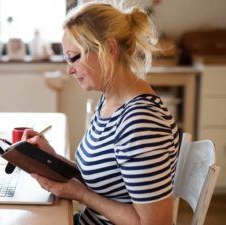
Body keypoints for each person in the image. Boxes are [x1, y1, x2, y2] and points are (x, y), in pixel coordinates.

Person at [23, 2, 180, 225]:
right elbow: (108, 178)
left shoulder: (141, 124)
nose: (69, 69)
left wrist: (81, 194)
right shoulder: (110, 100)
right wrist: (51, 160)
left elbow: (155, 224)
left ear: (109, 49)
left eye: (74, 57)